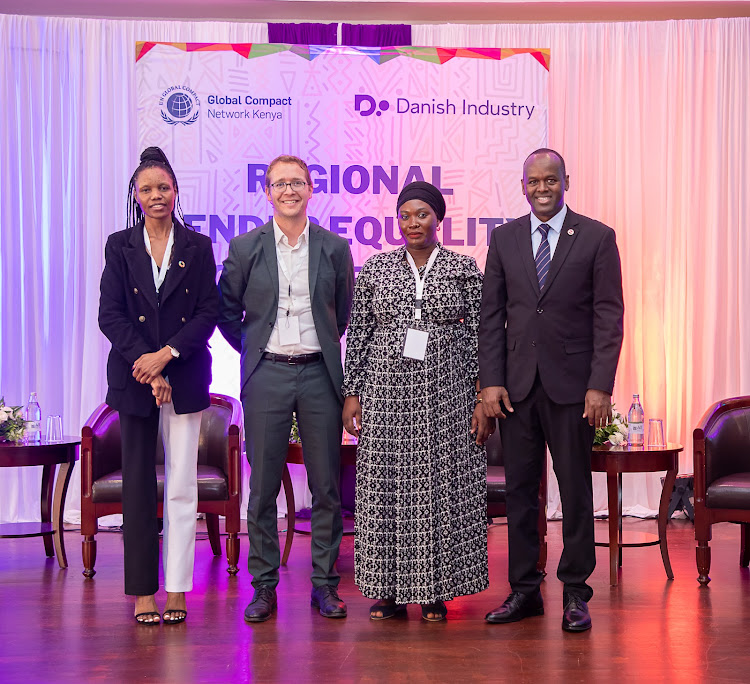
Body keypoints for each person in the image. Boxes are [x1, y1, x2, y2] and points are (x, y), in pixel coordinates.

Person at [479, 148, 624, 632]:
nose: (542, 189)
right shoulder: (504, 239)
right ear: (522, 185)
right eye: (533, 182)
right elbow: (491, 317)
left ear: (566, 181)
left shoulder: (598, 238)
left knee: (575, 491)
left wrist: (599, 385)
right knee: (520, 491)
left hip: (573, 390)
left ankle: (576, 594)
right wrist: (491, 381)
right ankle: (524, 591)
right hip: (517, 388)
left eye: (551, 180)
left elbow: (609, 317)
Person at [342, 181, 492, 622]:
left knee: (439, 489)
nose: (413, 223)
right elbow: (359, 335)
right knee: (387, 489)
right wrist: (353, 393)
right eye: (405, 215)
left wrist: (482, 393)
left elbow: (482, 335)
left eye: (422, 214)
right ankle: (386, 591)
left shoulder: (464, 269)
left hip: (448, 393)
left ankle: (435, 592)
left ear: (438, 219)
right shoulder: (376, 269)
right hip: (386, 395)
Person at [218, 154, 355, 622]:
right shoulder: (244, 248)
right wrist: (254, 350)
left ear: (311, 188)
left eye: (297, 182)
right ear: (268, 191)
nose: (289, 191)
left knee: (326, 489)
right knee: (261, 489)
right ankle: (263, 587)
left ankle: (324, 586)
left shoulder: (334, 248)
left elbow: (344, 311)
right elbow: (225, 310)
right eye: (280, 184)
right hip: (268, 375)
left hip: (320, 375)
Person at [99, 146, 219, 625]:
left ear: (176, 192)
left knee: (182, 487)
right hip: (134, 381)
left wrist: (166, 358)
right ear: (135, 194)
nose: (156, 195)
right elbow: (110, 315)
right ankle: (143, 592)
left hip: (184, 377)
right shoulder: (119, 245)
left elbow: (208, 313)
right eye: (147, 189)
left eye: (163, 188)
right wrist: (146, 367)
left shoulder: (199, 246)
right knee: (138, 489)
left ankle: (177, 590)